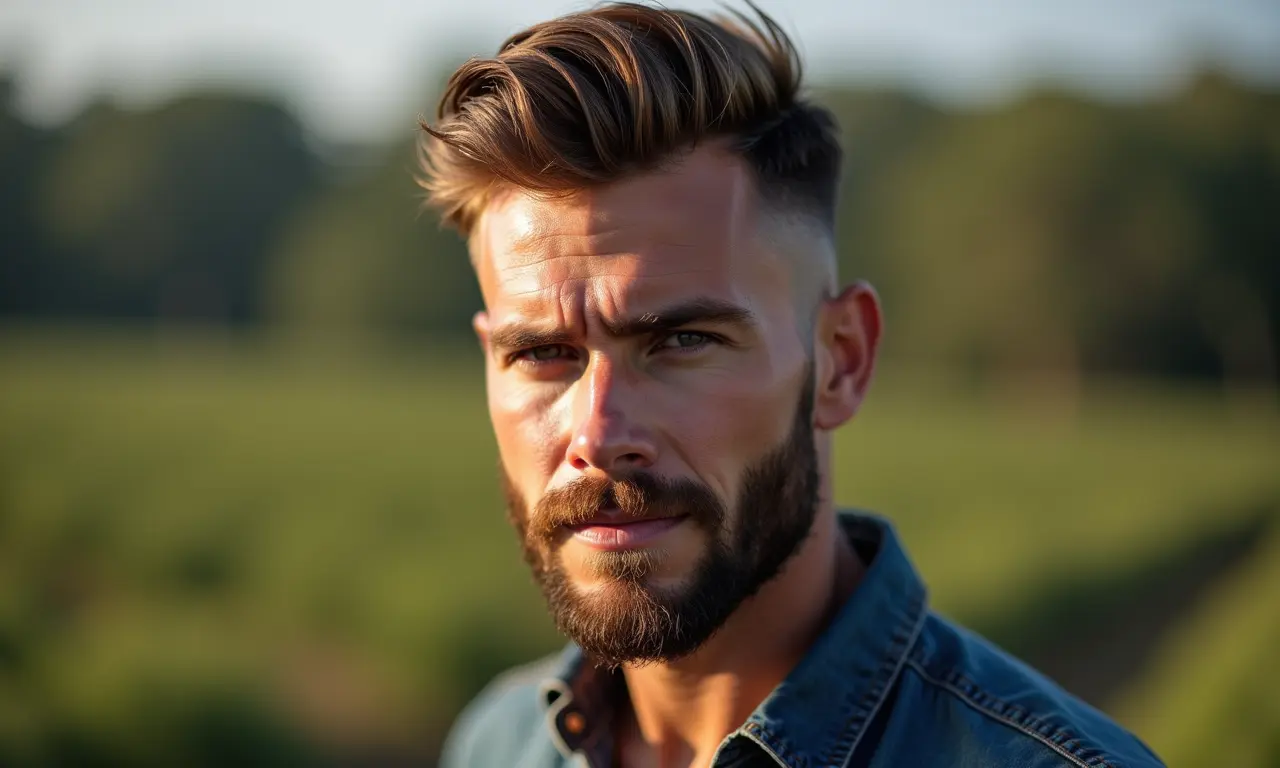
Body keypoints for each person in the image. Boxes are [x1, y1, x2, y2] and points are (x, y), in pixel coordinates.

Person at [418, 3, 1164, 766]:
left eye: (681, 341)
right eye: (543, 353)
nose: (599, 436)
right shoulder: (496, 741)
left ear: (841, 359)